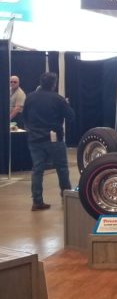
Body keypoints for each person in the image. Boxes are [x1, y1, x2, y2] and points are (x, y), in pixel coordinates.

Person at [23, 72, 75, 211]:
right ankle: (66, 197)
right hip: (54, 139)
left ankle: (37, 201)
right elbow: (71, 116)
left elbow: (25, 117)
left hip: (34, 139)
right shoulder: (58, 99)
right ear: (54, 84)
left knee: (37, 170)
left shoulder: (30, 97)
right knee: (62, 169)